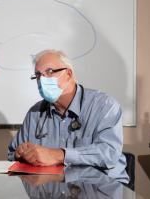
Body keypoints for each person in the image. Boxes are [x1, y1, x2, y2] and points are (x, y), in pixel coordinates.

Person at [8, 50, 129, 182]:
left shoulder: (103, 105)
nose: (42, 80)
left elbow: (109, 153)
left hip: (101, 187)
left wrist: (59, 155)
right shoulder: (35, 113)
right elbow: (11, 155)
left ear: (68, 74)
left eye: (49, 72)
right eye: (38, 75)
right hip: (53, 188)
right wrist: (20, 154)